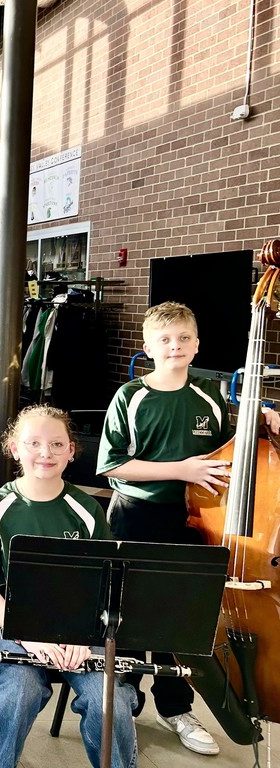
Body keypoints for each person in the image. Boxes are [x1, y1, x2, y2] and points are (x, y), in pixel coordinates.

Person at [97, 301, 280, 755]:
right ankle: (123, 700)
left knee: (179, 619)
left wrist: (267, 417)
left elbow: (233, 445)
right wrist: (180, 469)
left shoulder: (212, 395)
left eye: (183, 339)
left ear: (196, 345)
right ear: (148, 348)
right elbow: (113, 466)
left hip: (196, 521)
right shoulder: (131, 396)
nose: (174, 346)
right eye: (165, 340)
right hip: (138, 516)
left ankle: (175, 706)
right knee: (131, 613)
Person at [0, 404, 137, 768]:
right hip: (9, 628)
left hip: (78, 631)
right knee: (20, 691)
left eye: (58, 445)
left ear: (72, 451)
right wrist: (31, 639)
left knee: (110, 700)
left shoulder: (87, 509)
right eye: (34, 443)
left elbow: (104, 585)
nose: (46, 453)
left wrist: (81, 637)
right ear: (15, 449)